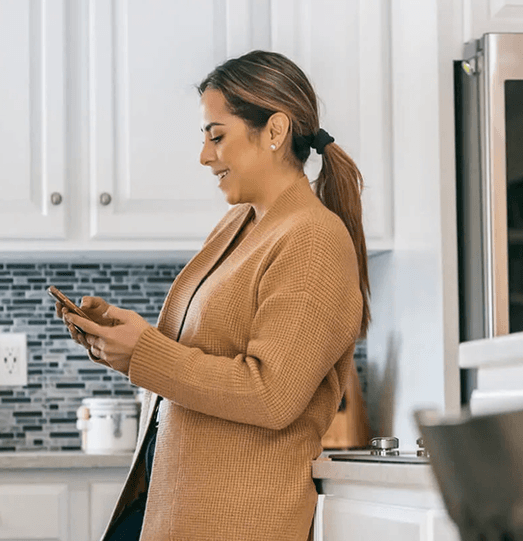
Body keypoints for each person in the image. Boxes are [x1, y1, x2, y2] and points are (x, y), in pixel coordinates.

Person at [55, 50, 370, 541]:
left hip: (239, 521)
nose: (205, 156)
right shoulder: (238, 225)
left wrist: (144, 353)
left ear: (274, 131)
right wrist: (123, 341)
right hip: (175, 508)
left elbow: (271, 395)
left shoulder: (313, 238)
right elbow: (194, 359)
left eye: (216, 136)